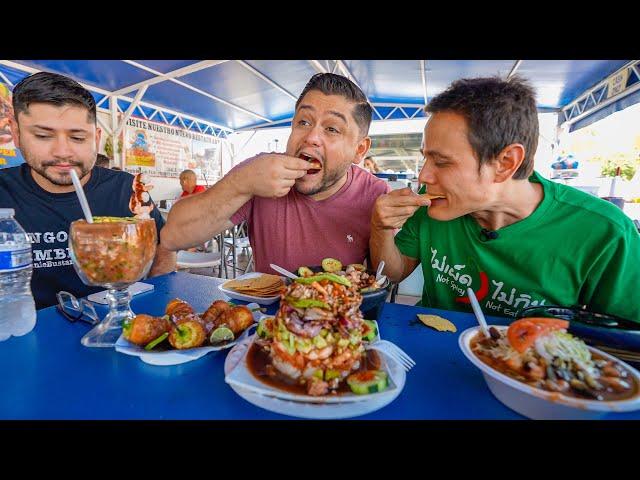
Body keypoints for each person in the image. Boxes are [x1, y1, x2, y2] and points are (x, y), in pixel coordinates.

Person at [370, 76, 640, 321]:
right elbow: (394, 274)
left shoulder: (605, 233)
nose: (424, 176)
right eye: (425, 158)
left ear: (506, 162)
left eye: (441, 162)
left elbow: (624, 343)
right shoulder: (435, 205)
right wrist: (381, 229)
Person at [162, 73, 390, 274]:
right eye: (303, 122)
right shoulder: (259, 172)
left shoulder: (374, 194)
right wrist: (243, 182)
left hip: (344, 318)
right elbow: (173, 236)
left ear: (359, 150)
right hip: (268, 318)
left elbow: (387, 276)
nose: (311, 137)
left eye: (331, 129)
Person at [0, 72, 176, 309]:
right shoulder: (4, 190)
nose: (63, 151)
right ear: (17, 134)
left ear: (97, 137)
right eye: (43, 135)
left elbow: (162, 245)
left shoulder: (127, 190)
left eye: (78, 137)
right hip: (26, 330)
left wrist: (154, 303)